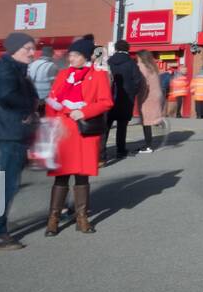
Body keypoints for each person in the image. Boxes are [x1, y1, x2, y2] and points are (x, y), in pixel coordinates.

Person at [0, 33, 39, 250]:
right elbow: (5, 95)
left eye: (33, 48)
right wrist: (27, 109)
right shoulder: (8, 70)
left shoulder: (15, 69)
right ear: (14, 49)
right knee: (5, 187)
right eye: (27, 48)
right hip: (11, 133)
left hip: (12, 132)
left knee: (1, 186)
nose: (32, 52)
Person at [43, 35, 113, 236]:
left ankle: (82, 218)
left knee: (82, 178)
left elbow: (106, 102)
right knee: (61, 178)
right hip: (63, 133)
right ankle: (53, 219)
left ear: (85, 56)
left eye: (75, 55)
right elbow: (52, 101)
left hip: (84, 132)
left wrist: (84, 111)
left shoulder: (98, 75)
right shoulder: (63, 74)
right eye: (70, 55)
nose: (71, 58)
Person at [103, 40, 142, 163]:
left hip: (108, 97)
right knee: (122, 126)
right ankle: (120, 150)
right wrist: (131, 93)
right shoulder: (131, 63)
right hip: (125, 99)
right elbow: (137, 81)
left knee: (106, 126)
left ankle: (102, 151)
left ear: (115, 48)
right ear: (127, 49)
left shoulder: (108, 62)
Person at [134, 50, 163, 153]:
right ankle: (148, 144)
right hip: (156, 95)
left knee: (146, 121)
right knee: (149, 120)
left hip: (148, 96)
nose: (136, 59)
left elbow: (144, 84)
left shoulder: (142, 67)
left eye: (137, 57)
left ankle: (148, 146)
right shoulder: (152, 67)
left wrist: (139, 96)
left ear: (141, 57)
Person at [27, 45, 58, 109]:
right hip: (45, 98)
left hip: (32, 96)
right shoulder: (51, 66)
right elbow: (55, 84)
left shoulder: (32, 64)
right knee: (45, 117)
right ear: (51, 54)